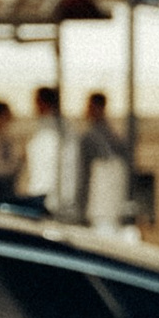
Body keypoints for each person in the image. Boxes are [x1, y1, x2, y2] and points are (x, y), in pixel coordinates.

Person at [77, 90, 132, 232]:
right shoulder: (113, 137)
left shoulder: (92, 137)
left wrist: (81, 207)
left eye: (89, 107)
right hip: (110, 207)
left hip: (100, 206)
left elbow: (84, 175)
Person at [18, 84, 69, 219]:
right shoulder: (50, 129)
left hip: (44, 199)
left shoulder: (50, 133)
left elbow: (43, 170)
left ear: (43, 103)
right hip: (47, 196)